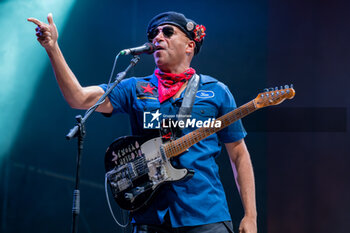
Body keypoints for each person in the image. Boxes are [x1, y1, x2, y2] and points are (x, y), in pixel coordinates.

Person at [28, 11, 257, 233]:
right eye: (153, 35)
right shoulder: (134, 87)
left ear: (190, 45)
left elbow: (239, 154)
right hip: (149, 215)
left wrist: (250, 216)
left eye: (167, 32)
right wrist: (53, 48)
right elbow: (78, 97)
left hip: (206, 215)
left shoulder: (217, 91)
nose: (157, 37)